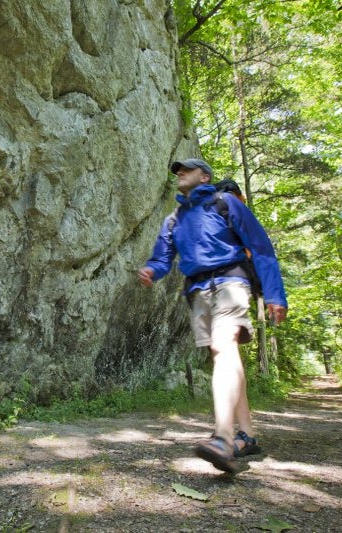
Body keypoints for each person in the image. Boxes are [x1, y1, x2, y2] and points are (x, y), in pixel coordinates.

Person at [138, 158, 287, 473]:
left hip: (231, 282)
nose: (180, 173)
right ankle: (247, 435)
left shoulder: (226, 203)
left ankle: (223, 436)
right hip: (197, 291)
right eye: (177, 171)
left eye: (186, 169)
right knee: (226, 355)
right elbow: (162, 258)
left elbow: (261, 248)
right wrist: (152, 270)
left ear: (204, 176)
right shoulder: (174, 219)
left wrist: (275, 295)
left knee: (223, 347)